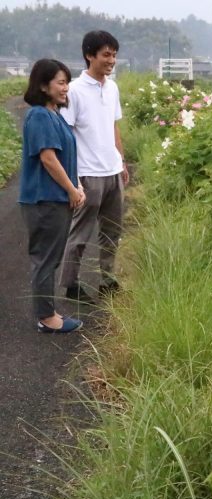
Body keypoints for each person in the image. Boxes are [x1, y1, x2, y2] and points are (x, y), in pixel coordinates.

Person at [60, 30, 128, 305]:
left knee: (112, 230)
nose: (111, 60)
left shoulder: (111, 87)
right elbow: (67, 133)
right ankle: (70, 283)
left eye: (114, 55)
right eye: (106, 55)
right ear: (90, 55)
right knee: (80, 232)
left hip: (112, 171)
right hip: (88, 173)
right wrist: (72, 178)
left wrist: (121, 161)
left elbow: (113, 126)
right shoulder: (74, 90)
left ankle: (107, 280)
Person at [19, 59, 86, 333]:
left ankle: (48, 312)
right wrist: (71, 189)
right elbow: (48, 159)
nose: (65, 88)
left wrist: (76, 186)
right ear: (43, 85)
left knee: (50, 257)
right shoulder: (39, 116)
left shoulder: (53, 115)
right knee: (46, 258)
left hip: (55, 198)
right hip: (45, 199)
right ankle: (46, 318)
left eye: (67, 82)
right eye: (60, 82)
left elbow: (65, 158)